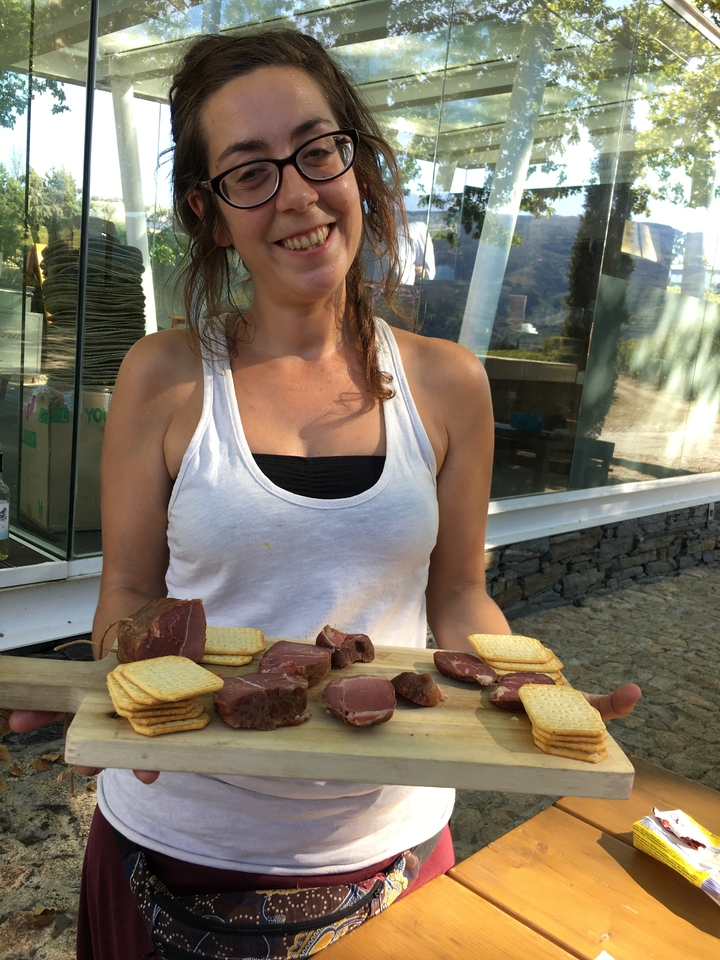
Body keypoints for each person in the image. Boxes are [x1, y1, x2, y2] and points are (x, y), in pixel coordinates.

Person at [9, 28, 641, 960]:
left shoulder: (449, 382)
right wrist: (125, 691)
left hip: (390, 842)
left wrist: (528, 688)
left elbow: (458, 592)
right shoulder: (164, 376)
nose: (298, 194)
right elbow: (130, 595)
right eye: (250, 172)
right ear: (209, 212)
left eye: (316, 150)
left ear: (357, 163)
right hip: (179, 844)